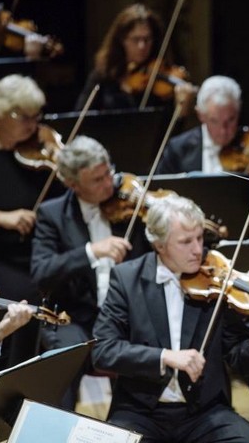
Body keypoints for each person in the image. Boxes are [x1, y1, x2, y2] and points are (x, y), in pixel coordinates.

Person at [92, 194, 249, 442]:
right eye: (186, 241)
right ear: (159, 244)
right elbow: (103, 350)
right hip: (140, 412)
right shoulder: (126, 279)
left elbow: (238, 358)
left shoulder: (217, 283)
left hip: (204, 412)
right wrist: (165, 356)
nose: (198, 249)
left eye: (200, 238)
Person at [31, 135, 150, 409]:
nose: (109, 183)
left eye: (108, 172)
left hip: (129, 313)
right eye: (97, 180)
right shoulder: (52, 214)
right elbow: (42, 271)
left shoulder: (131, 205)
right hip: (78, 317)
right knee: (63, 358)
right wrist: (91, 252)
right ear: (72, 184)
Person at [0, 74, 64, 366]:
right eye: (24, 117)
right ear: (1, 114)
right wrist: (4, 218)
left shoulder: (37, 153)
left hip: (38, 251)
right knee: (27, 292)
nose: (32, 125)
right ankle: (16, 372)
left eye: (36, 116)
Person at [156, 75, 249, 237]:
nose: (224, 130)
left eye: (231, 120)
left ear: (238, 111)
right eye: (215, 121)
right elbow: (162, 198)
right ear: (200, 115)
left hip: (244, 239)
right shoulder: (179, 149)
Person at [75, 3, 195, 115]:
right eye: (135, 39)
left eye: (147, 39)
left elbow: (170, 129)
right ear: (122, 40)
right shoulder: (103, 74)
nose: (142, 46)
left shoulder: (159, 76)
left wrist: (181, 112)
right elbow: (80, 115)